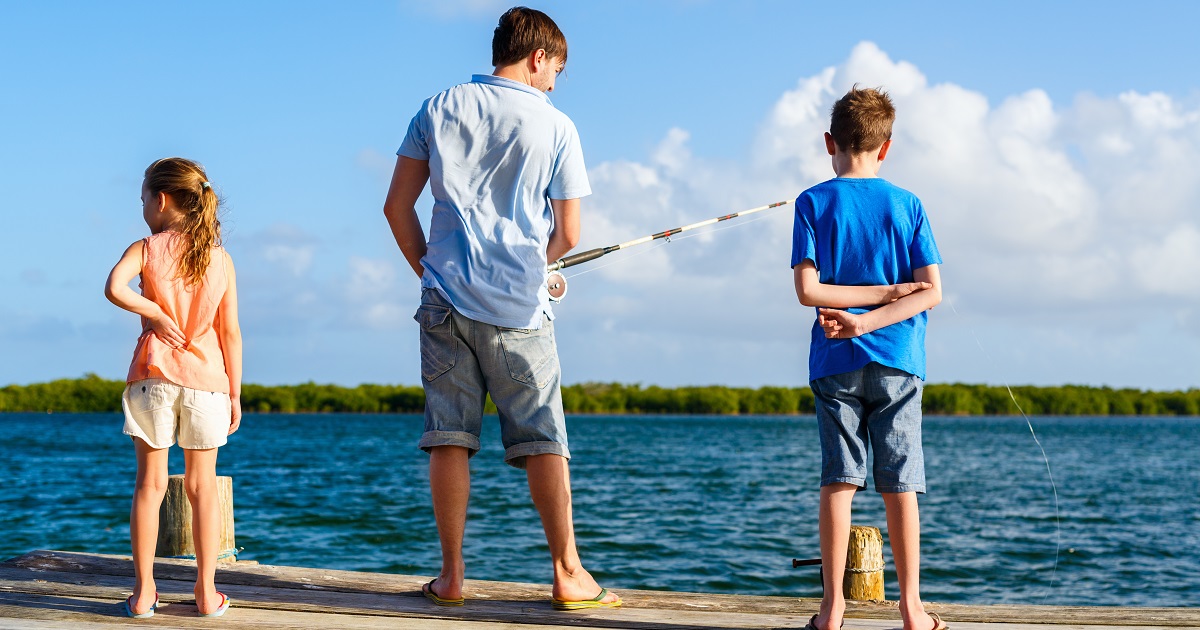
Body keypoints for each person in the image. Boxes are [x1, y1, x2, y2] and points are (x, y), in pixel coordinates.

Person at [382, 6, 620, 612]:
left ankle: (453, 575)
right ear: (539, 56)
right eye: (556, 69)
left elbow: (396, 207)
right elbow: (568, 232)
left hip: (444, 301)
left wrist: (430, 273)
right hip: (520, 310)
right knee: (543, 439)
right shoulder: (557, 126)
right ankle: (567, 573)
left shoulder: (437, 107)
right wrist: (539, 270)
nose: (554, 82)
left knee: (448, 437)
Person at [791, 87, 947, 630]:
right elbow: (930, 292)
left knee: (839, 480)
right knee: (901, 483)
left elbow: (808, 291)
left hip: (833, 358)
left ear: (829, 141)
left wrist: (854, 318)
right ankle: (913, 610)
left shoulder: (812, 201)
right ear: (886, 149)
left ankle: (831, 610)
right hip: (900, 359)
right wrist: (880, 302)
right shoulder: (909, 205)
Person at [105, 157, 242, 618]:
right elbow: (231, 333)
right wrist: (235, 393)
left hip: (154, 377)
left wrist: (157, 313)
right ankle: (206, 594)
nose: (142, 206)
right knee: (203, 487)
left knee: (150, 484)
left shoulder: (145, 248)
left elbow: (114, 287)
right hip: (208, 383)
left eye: (143, 197)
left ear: (161, 200)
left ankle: (144, 594)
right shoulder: (220, 259)